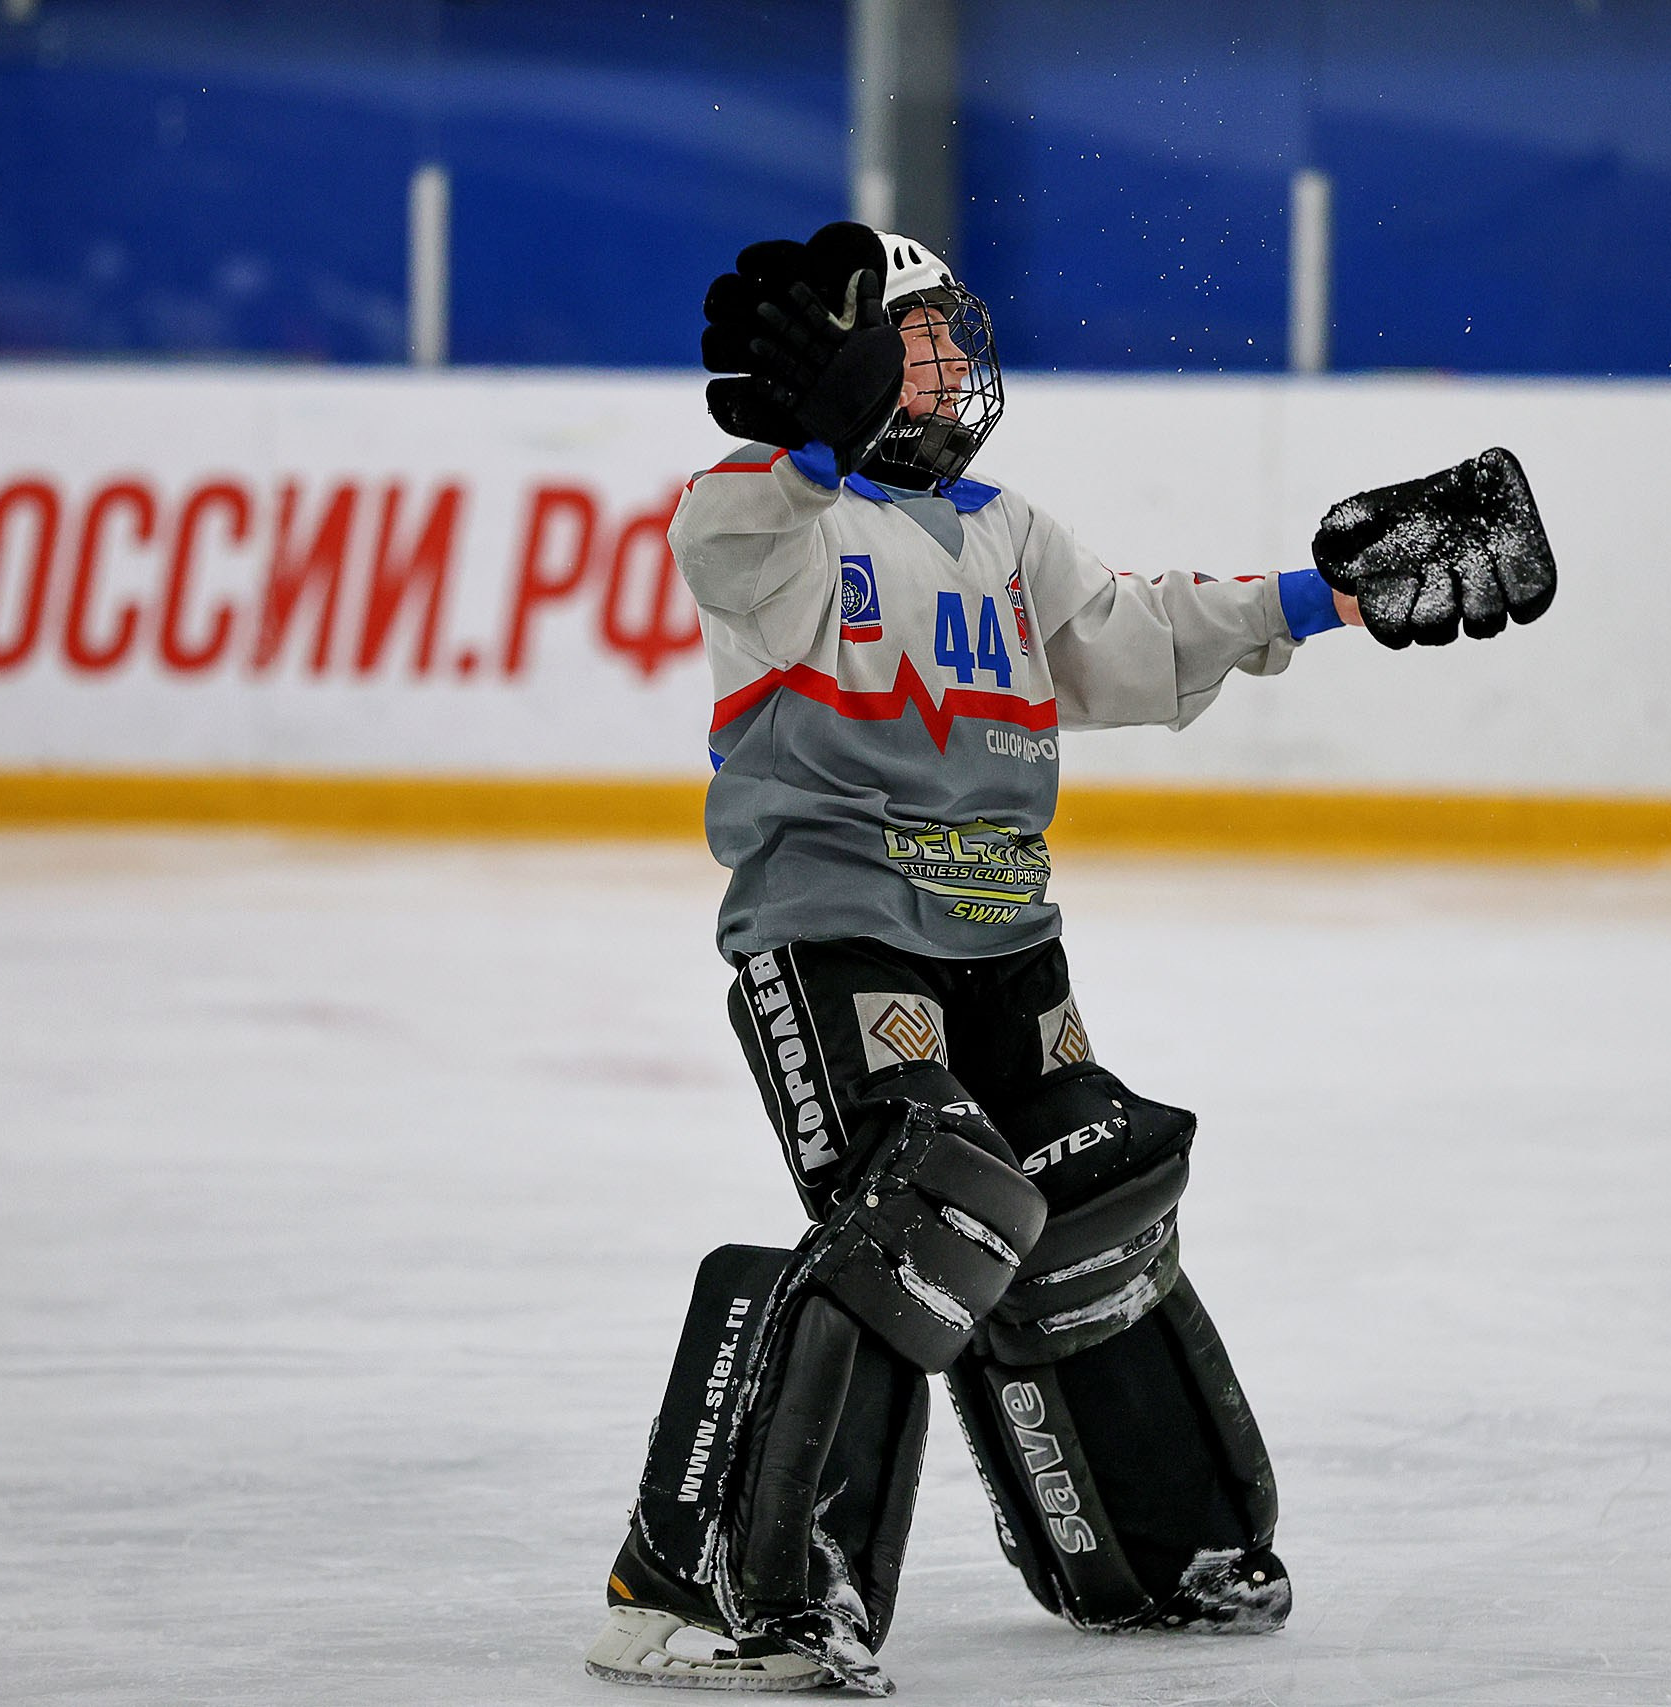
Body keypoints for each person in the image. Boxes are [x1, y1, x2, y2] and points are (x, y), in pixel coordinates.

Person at [585, 222, 1555, 1695]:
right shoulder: (775, 522)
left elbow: (1130, 642)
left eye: (948, 339)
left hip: (1007, 941)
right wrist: (806, 449)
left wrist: (1320, 595)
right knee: (929, 1203)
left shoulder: (1006, 529)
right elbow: (723, 543)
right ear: (840, 368)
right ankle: (721, 1588)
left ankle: (1153, 1547)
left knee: (1084, 1190)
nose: (949, 367)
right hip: (841, 932)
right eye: (912, 344)